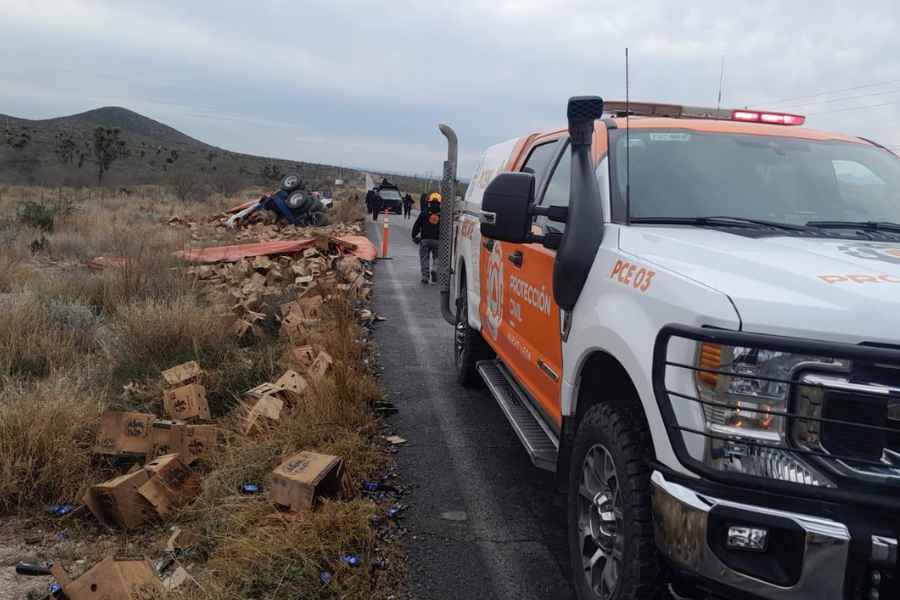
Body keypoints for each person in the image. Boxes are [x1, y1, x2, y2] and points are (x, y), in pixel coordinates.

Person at [412, 192, 442, 284]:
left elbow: (416, 225)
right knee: (437, 257)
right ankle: (435, 269)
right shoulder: (442, 215)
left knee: (424, 258)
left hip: (425, 240)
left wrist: (414, 236)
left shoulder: (424, 213)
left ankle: (425, 276)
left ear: (429, 202)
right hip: (438, 241)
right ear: (439, 203)